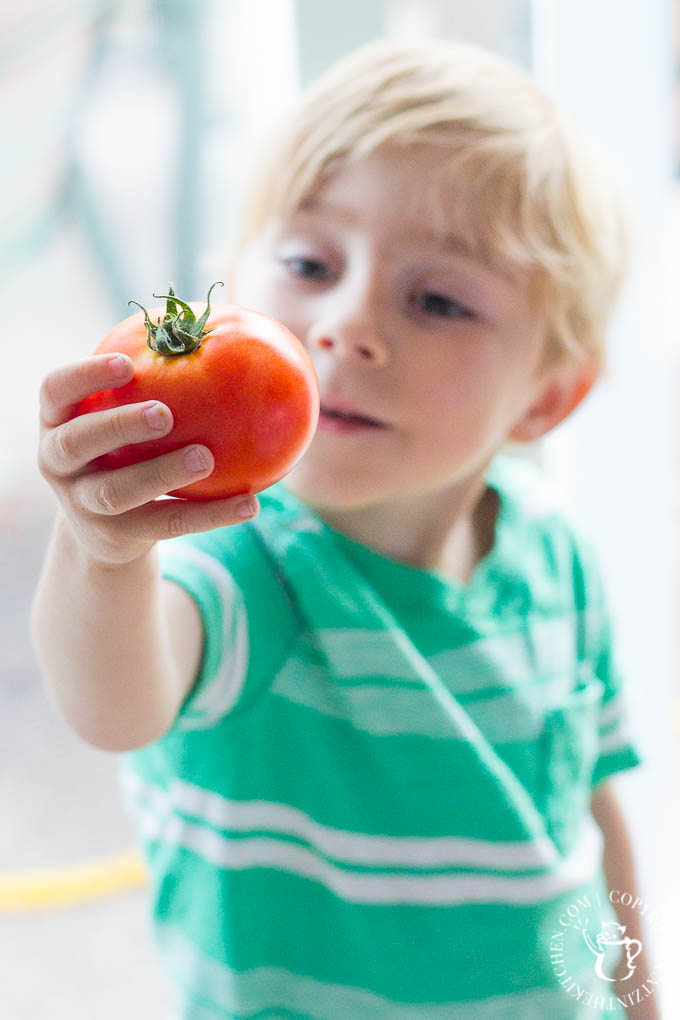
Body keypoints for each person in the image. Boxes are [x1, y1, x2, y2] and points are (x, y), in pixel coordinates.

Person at [31, 38, 658, 1020]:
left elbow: (590, 805)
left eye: (438, 299)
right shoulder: (240, 567)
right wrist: (101, 551)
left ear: (546, 396)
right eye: (308, 263)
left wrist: (635, 992)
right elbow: (110, 704)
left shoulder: (552, 554)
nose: (346, 322)